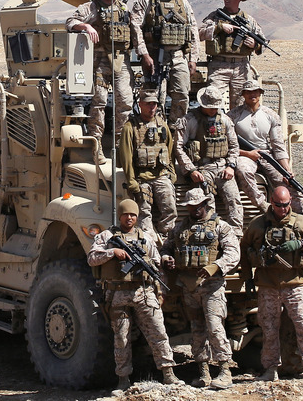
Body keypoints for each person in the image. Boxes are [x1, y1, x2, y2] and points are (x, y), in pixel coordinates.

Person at [87, 199, 184, 391]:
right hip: (117, 295)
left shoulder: (146, 237)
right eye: (126, 214)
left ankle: (168, 374)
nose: (129, 218)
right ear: (120, 215)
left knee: (158, 333)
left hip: (144, 293)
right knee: (121, 338)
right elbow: (92, 258)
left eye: (133, 215)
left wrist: (160, 291)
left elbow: (156, 264)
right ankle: (123, 379)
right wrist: (113, 252)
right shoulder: (107, 236)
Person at [240, 186, 303, 386]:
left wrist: (300, 245)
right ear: (272, 202)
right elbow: (245, 249)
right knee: (269, 329)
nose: (282, 209)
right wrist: (247, 278)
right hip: (268, 285)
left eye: (286, 204)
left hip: (294, 284)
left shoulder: (301, 223)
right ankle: (270, 369)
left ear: (290, 203)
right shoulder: (258, 225)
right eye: (278, 205)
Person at [160, 187, 240, 389]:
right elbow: (166, 247)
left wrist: (216, 266)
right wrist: (166, 258)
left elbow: (233, 253)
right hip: (189, 287)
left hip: (212, 286)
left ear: (205, 204)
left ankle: (224, 371)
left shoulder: (220, 226)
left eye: (198, 206)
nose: (195, 209)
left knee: (215, 327)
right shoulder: (180, 228)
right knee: (197, 330)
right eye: (191, 206)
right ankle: (203, 372)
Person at [66, 0, 134, 163]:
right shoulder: (92, 7)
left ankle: (122, 148)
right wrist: (86, 26)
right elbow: (70, 22)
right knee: (99, 104)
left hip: (121, 62)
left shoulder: (124, 9)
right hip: (100, 63)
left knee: (125, 104)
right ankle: (97, 147)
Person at [228, 79, 303, 223]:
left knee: (290, 185)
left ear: (260, 93)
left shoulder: (271, 115)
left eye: (255, 91)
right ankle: (264, 205)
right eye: (248, 92)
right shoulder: (232, 116)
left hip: (267, 155)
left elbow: (278, 146)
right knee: (243, 170)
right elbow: (228, 144)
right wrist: (247, 154)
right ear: (243, 94)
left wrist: (286, 169)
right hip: (244, 155)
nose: (252, 95)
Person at [129, 0, 200, 123]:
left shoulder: (183, 3)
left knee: (181, 95)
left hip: (178, 56)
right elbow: (135, 27)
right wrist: (144, 54)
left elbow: (193, 30)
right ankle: (156, 131)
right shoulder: (147, 1)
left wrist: (193, 58)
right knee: (155, 97)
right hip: (155, 55)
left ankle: (176, 131)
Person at [175, 85, 244, 236]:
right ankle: (210, 237)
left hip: (222, 167)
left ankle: (236, 236)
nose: (213, 110)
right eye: (209, 107)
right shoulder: (189, 121)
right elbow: (178, 148)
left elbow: (234, 146)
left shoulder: (225, 121)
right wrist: (191, 170)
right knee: (207, 204)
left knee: (234, 200)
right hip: (200, 169)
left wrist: (231, 166)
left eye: (215, 107)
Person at [118, 87, 177, 242]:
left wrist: (171, 174)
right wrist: (132, 182)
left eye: (154, 104)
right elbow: (126, 156)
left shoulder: (162, 125)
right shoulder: (130, 127)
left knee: (170, 208)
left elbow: (169, 150)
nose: (152, 107)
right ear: (140, 104)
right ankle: (149, 242)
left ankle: (166, 239)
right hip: (141, 178)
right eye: (148, 104)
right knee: (143, 212)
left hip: (161, 176)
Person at [199, 0, 265, 110]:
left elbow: (262, 41)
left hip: (241, 68)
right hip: (219, 65)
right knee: (211, 100)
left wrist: (255, 45)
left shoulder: (248, 20)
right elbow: (199, 33)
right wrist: (219, 27)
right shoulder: (215, 16)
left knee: (241, 105)